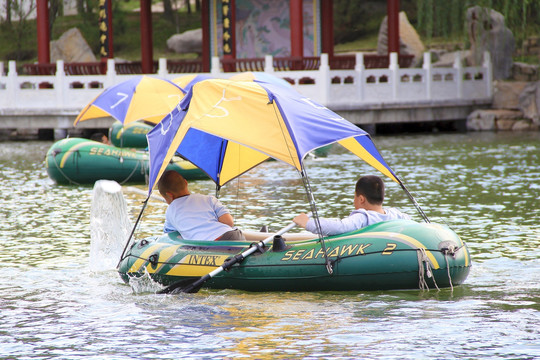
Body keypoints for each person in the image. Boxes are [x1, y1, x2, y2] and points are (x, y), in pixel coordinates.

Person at [293, 175, 411, 236]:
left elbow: (340, 227)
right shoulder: (396, 214)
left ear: (361, 199)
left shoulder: (363, 217)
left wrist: (307, 223)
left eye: (354, 197)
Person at [157, 170, 245, 241]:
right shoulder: (209, 199)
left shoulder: (170, 211)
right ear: (186, 183)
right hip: (234, 235)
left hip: (213, 245)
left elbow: (169, 237)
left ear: (169, 195)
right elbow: (228, 222)